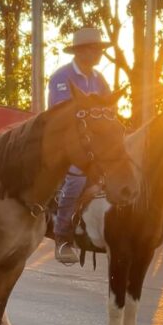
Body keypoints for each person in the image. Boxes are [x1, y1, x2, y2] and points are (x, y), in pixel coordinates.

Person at [48, 26, 111, 264]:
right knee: (76, 176)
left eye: (100, 49)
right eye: (95, 49)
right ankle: (62, 237)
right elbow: (62, 116)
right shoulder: (61, 78)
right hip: (66, 142)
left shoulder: (99, 79)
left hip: (94, 145)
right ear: (81, 51)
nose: (99, 53)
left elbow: (108, 111)